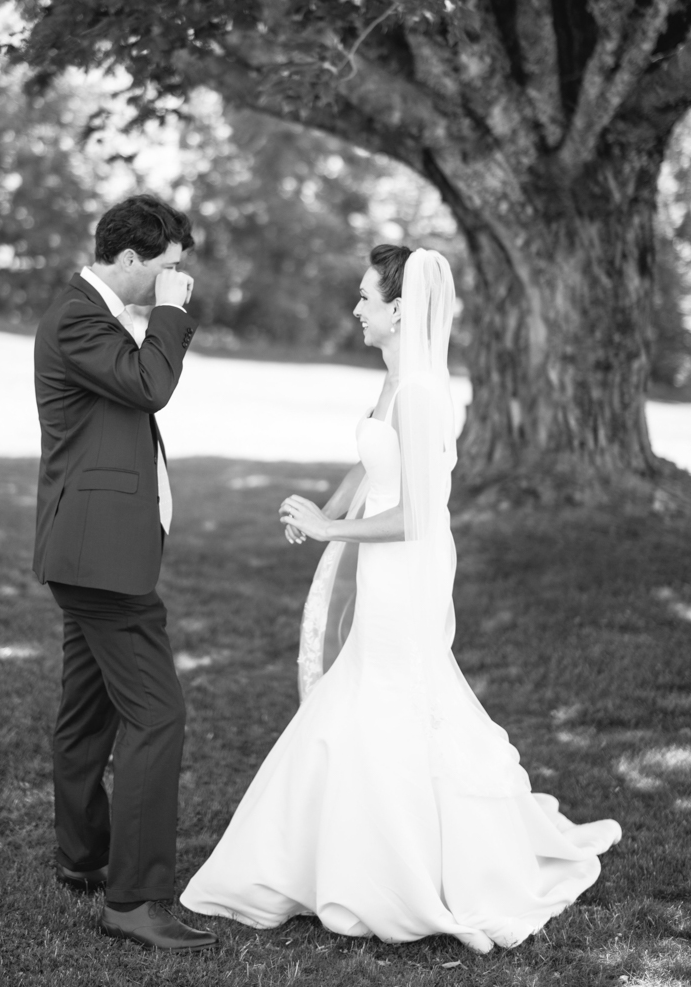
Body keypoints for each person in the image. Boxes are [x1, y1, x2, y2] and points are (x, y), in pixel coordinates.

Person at [180, 245, 621, 952]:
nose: (356, 309)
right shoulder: (393, 380)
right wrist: (320, 509)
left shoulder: (420, 393)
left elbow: (418, 514)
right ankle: (333, 855)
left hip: (406, 564)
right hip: (378, 559)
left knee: (395, 693)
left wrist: (334, 529)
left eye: (365, 299)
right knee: (363, 687)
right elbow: (370, 461)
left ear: (397, 309)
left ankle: (406, 867)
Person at [33, 194, 216, 952]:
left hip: (92, 549)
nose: (179, 283)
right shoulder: (79, 315)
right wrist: (171, 313)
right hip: (100, 559)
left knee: (89, 709)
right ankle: (135, 900)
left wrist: (166, 314)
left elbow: (141, 375)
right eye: (170, 269)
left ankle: (83, 856)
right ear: (132, 259)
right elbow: (151, 386)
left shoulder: (99, 315)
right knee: (157, 714)